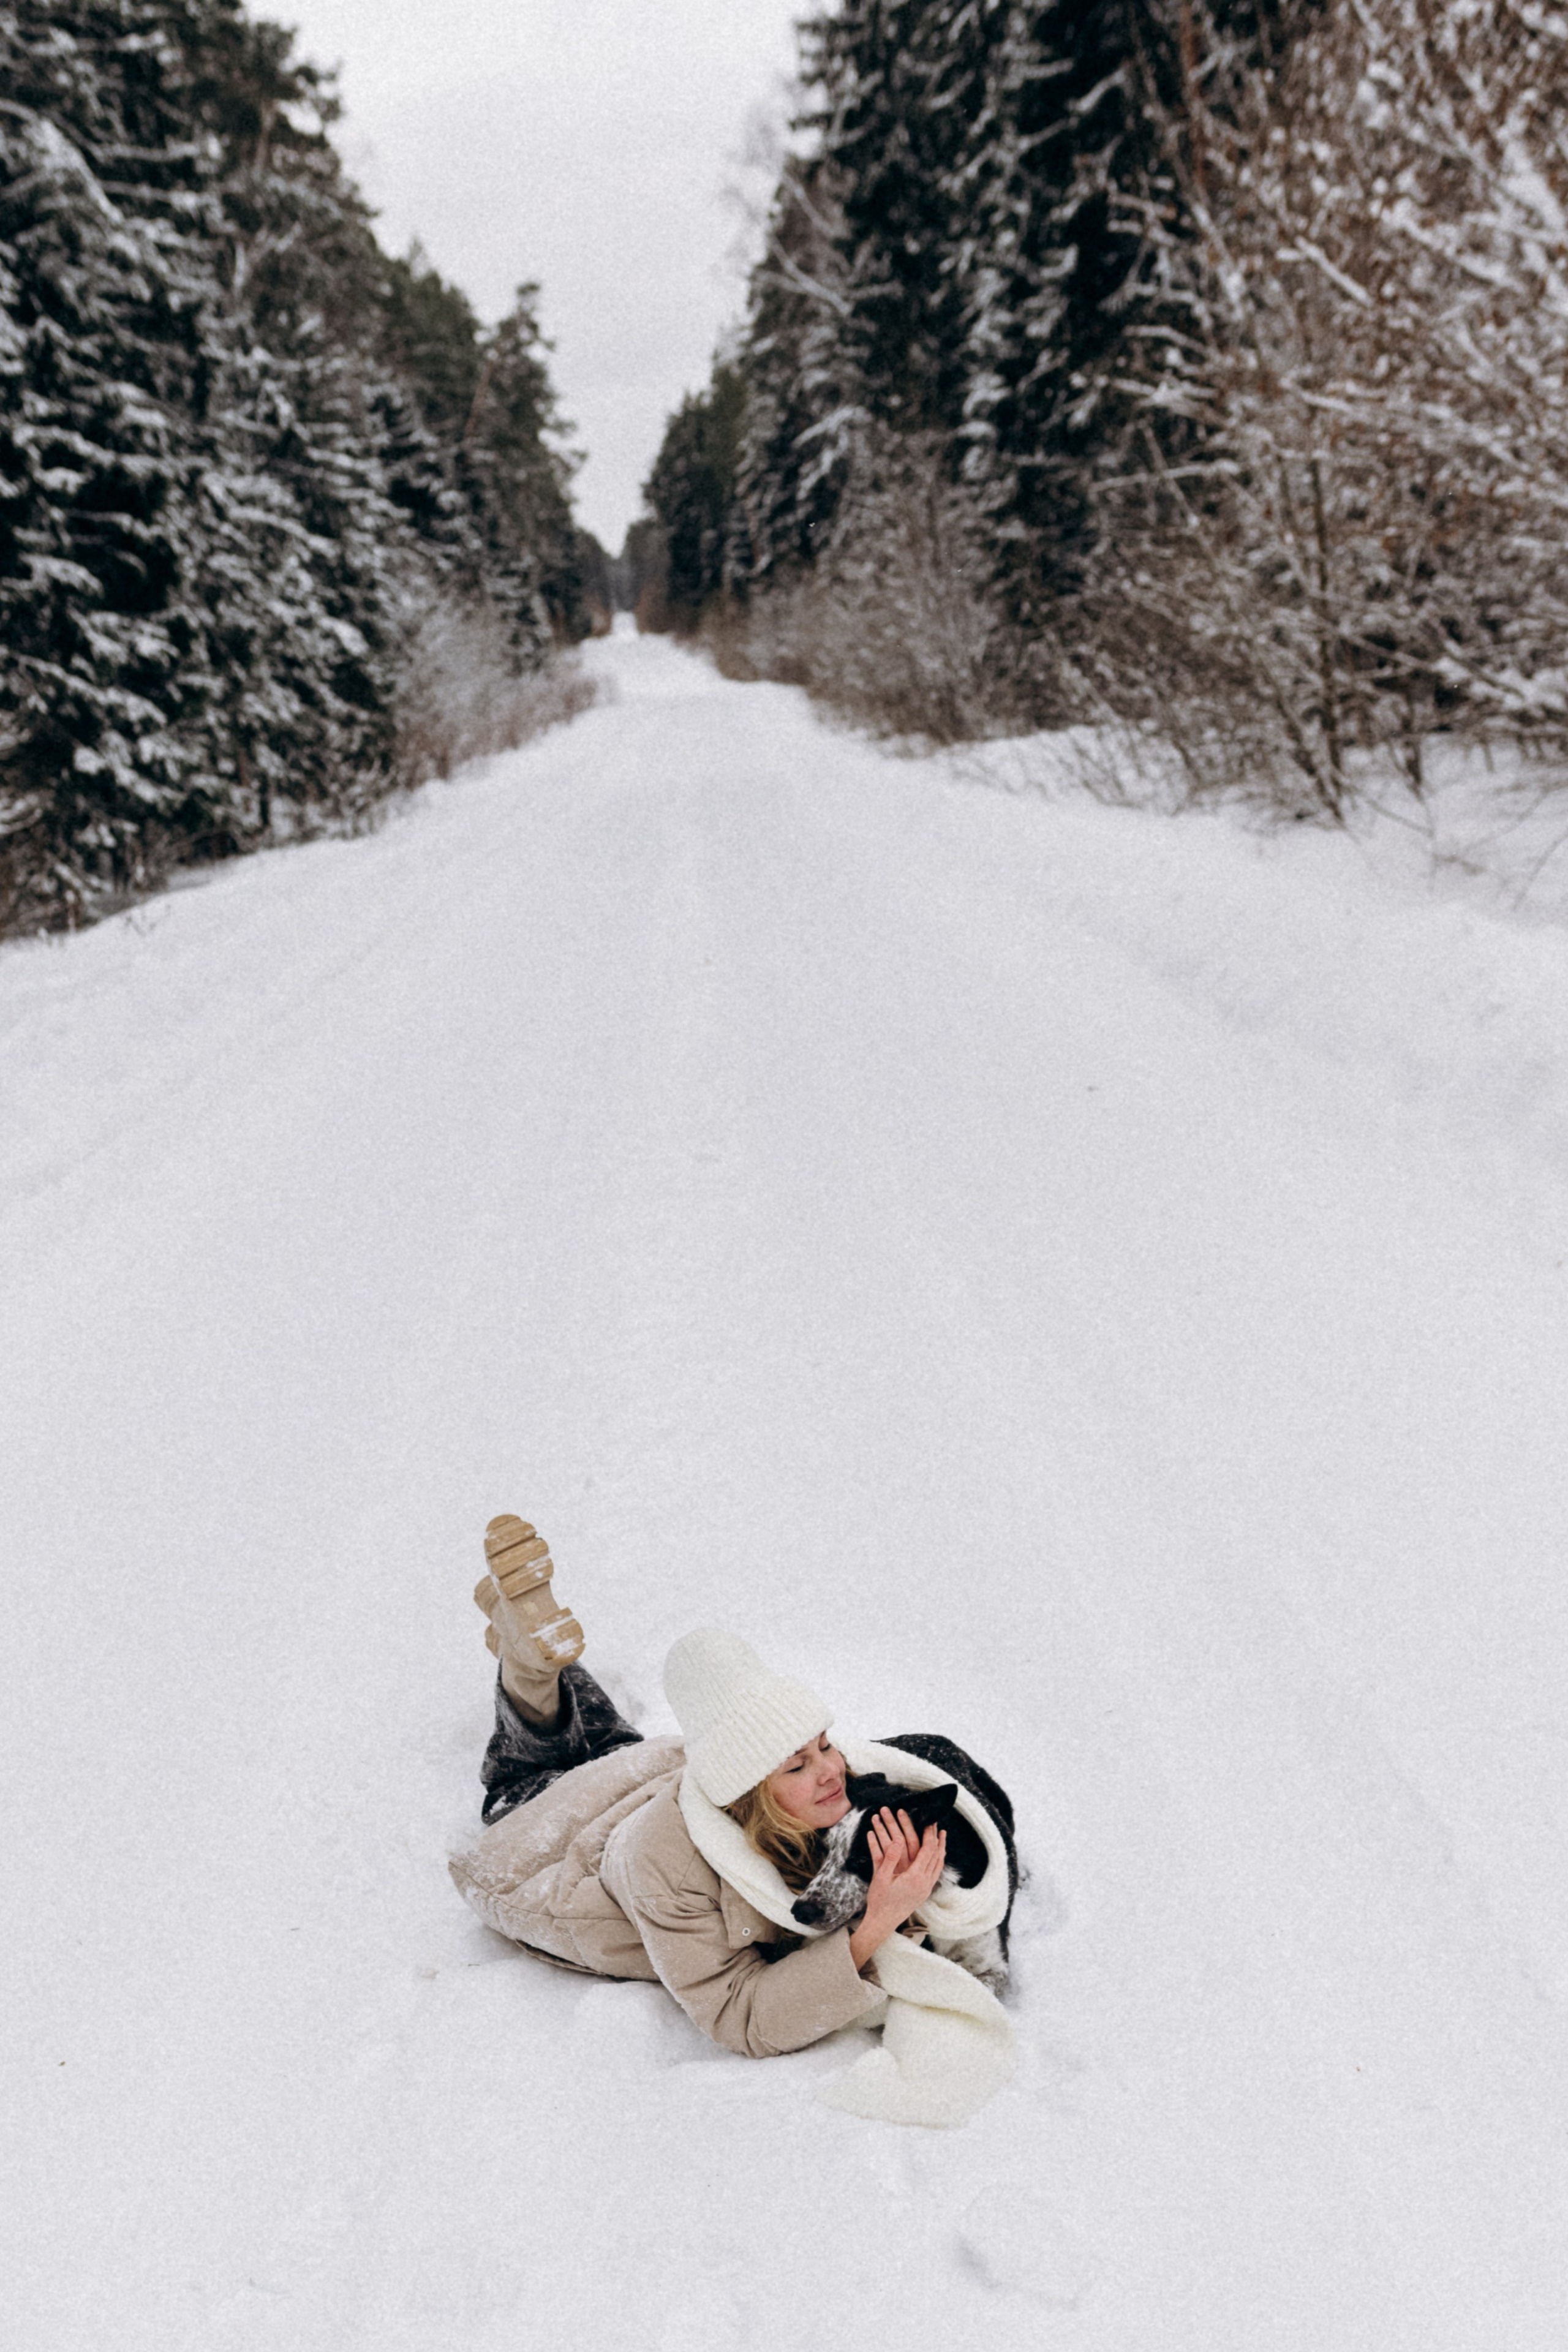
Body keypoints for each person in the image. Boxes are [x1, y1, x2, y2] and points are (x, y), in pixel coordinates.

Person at [450, 1515, 965, 2060]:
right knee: (523, 1780)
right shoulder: (667, 1873)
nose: (832, 1771)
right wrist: (879, 1923)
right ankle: (527, 1667)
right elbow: (741, 2016)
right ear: (748, 1790)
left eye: (825, 1744)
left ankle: (528, 1656)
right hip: (542, 1854)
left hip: (646, 1773)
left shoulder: (792, 1786)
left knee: (611, 1742)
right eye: (797, 1766)